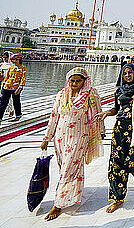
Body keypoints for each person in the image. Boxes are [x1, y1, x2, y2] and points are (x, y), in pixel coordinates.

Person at [40, 67, 104, 221]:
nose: (75, 83)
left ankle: (58, 204)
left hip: (79, 137)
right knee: (66, 168)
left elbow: (97, 113)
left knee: (69, 168)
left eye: (78, 80)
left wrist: (101, 131)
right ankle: (74, 196)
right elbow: (54, 116)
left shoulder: (90, 94)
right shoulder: (62, 94)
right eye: (72, 80)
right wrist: (47, 138)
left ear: (84, 81)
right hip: (61, 138)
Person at [97, 63, 134, 213]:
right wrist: (106, 113)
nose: (127, 75)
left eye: (130, 72)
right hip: (120, 131)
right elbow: (117, 109)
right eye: (125, 73)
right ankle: (118, 198)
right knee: (116, 164)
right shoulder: (120, 90)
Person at [0, 54, 27, 122]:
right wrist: (3, 87)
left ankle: (18, 115)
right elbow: (7, 78)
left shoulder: (23, 68)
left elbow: (23, 79)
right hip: (7, 87)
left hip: (16, 88)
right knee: (3, 103)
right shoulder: (11, 68)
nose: (12, 61)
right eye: (12, 60)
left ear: (18, 60)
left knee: (16, 102)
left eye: (14, 60)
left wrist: (20, 88)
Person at [0, 52, 15, 118]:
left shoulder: (12, 66)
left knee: (9, 98)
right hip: (2, 83)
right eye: (4, 57)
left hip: (9, 83)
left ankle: (11, 110)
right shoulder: (1, 65)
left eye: (6, 57)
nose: (5, 59)